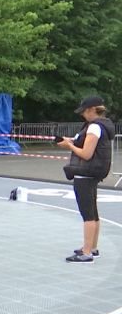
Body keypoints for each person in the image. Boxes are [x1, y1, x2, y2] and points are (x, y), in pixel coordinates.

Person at [57, 95, 115, 263]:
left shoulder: (94, 127)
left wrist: (69, 145)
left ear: (91, 110)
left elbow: (86, 154)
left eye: (83, 111)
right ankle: (92, 247)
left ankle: (87, 253)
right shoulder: (105, 125)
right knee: (93, 211)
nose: (82, 114)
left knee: (87, 213)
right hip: (95, 172)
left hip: (85, 172)